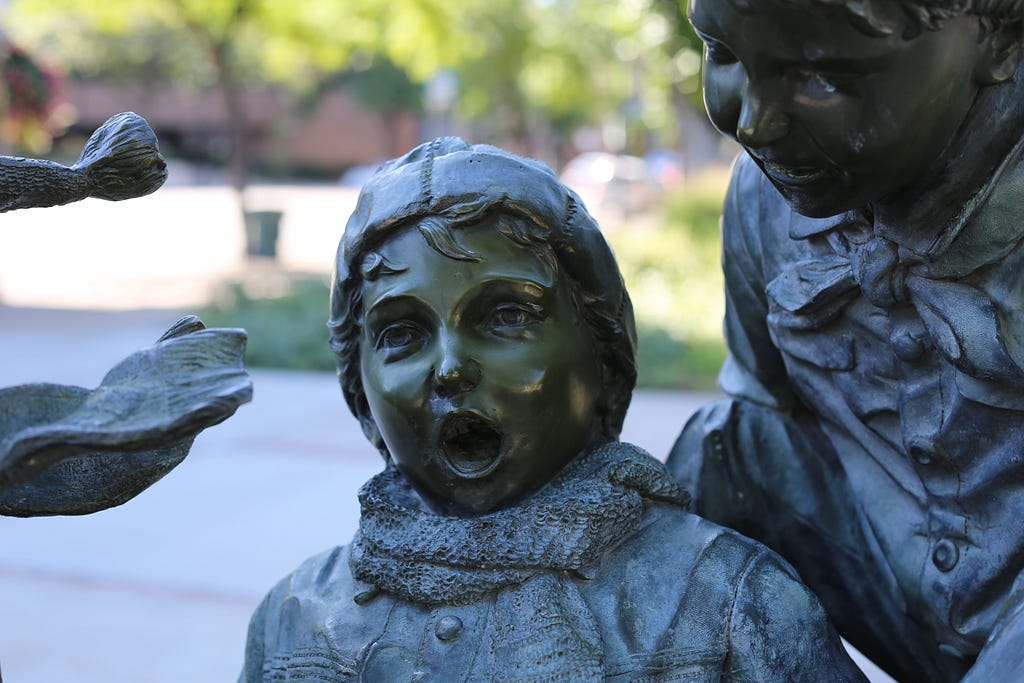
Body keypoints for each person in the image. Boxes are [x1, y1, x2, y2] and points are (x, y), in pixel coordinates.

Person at [239, 138, 867, 682]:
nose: (450, 367)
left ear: (604, 356)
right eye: (402, 333)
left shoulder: (733, 604)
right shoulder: (296, 619)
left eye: (507, 316)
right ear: (362, 394)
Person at [668, 1, 1024, 681]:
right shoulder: (768, 201)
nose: (753, 123)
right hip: (900, 585)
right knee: (721, 451)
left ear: (999, 43)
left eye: (821, 77)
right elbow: (765, 423)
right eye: (724, 54)